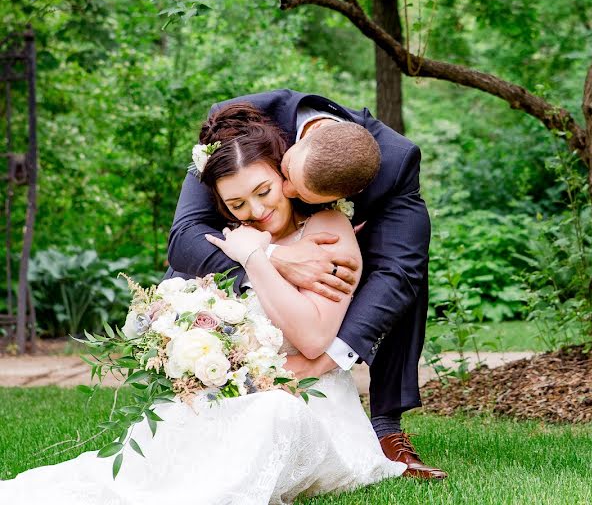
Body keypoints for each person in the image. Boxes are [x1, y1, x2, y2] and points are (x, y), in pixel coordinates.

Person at [0, 103, 406, 503]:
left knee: (273, 414)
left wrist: (255, 258)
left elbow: (314, 338)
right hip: (239, 393)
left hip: (308, 402)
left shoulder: (327, 228)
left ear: (283, 174)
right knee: (175, 423)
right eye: (237, 205)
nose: (257, 211)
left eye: (264, 192)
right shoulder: (230, 238)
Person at [165, 89, 447, 480]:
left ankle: (386, 425)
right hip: (244, 243)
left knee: (403, 273)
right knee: (197, 254)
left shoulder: (396, 162)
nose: (291, 194)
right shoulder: (236, 122)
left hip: (340, 244)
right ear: (290, 150)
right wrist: (276, 258)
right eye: (289, 181)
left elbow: (398, 271)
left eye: (302, 194)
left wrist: (323, 361)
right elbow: (185, 234)